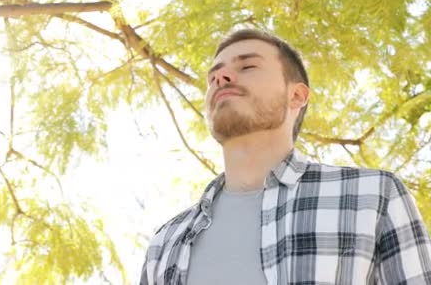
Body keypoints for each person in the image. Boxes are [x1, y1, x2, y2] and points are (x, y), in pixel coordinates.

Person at [139, 28, 431, 284]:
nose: (220, 77)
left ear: (297, 96)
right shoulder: (166, 241)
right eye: (213, 75)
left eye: (248, 66)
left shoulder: (373, 196)